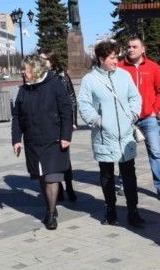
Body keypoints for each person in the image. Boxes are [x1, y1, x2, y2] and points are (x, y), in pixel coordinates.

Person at [78, 39, 145, 227]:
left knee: (129, 174)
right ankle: (110, 211)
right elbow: (84, 105)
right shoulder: (90, 80)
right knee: (106, 174)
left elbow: (135, 97)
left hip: (125, 134)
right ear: (101, 59)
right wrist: (98, 121)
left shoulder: (124, 75)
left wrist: (133, 114)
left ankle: (133, 211)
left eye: (117, 57)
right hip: (104, 136)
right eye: (112, 58)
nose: (116, 61)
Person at [12, 54, 73, 230]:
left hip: (53, 139)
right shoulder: (24, 89)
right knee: (42, 176)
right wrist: (16, 139)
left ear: (35, 69)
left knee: (51, 176)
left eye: (25, 68)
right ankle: (50, 205)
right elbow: (17, 116)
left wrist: (66, 136)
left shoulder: (54, 84)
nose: (22, 72)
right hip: (32, 141)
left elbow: (66, 111)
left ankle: (51, 213)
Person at [118, 35, 160, 200]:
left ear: (143, 49)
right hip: (127, 119)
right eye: (129, 47)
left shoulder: (153, 67)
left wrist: (155, 110)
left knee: (155, 152)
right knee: (125, 153)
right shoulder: (120, 67)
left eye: (134, 47)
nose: (131, 49)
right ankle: (124, 183)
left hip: (148, 118)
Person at [43, 51, 78, 202]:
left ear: (51, 61)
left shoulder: (62, 76)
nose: (40, 62)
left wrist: (73, 121)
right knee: (51, 158)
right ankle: (59, 188)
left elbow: (72, 99)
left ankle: (69, 185)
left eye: (43, 59)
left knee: (64, 156)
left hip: (62, 121)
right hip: (47, 124)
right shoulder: (39, 77)